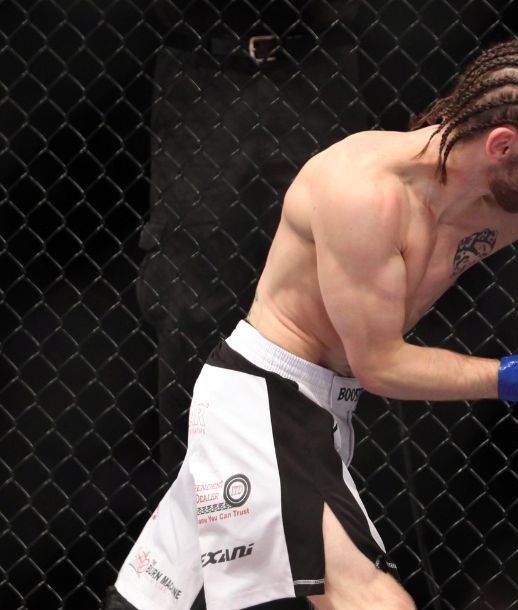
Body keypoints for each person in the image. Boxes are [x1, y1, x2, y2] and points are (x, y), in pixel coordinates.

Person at [106, 39, 518, 610]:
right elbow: (380, 364)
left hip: (322, 411)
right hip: (266, 397)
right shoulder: (363, 194)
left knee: (157, 600)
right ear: (502, 145)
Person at [136, 1, 368, 472]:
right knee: (192, 305)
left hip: (316, 68)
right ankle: (195, 502)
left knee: (333, 297)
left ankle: (326, 496)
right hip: (203, 71)